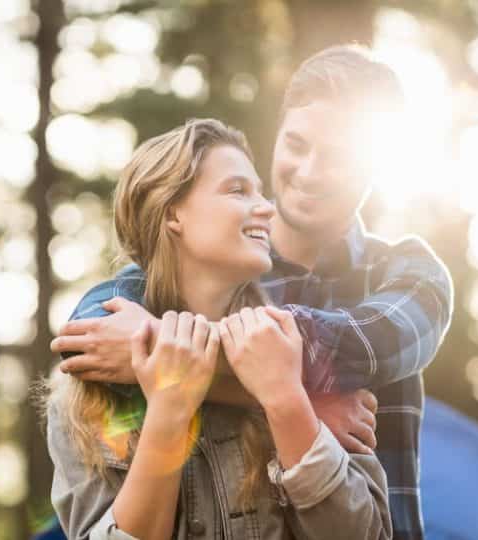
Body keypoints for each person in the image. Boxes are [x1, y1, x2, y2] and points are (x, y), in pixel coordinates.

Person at [52, 45, 453, 539]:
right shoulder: (216, 266)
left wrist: (167, 346)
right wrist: (281, 399)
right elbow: (92, 331)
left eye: (339, 157)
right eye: (297, 144)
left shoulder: (407, 273)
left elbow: (340, 348)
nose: (309, 171)